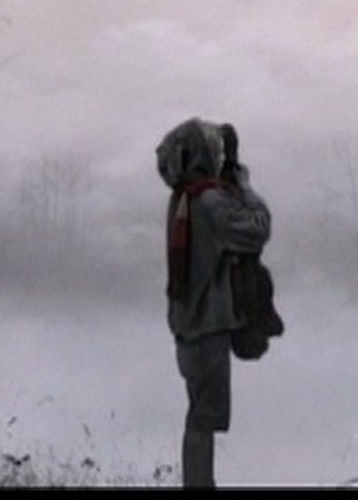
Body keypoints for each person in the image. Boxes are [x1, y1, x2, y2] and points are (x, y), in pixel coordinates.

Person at [155, 118, 271, 488]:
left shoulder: (182, 197)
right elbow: (258, 228)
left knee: (198, 414)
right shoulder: (210, 201)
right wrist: (243, 184)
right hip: (208, 326)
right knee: (204, 419)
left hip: (186, 325)